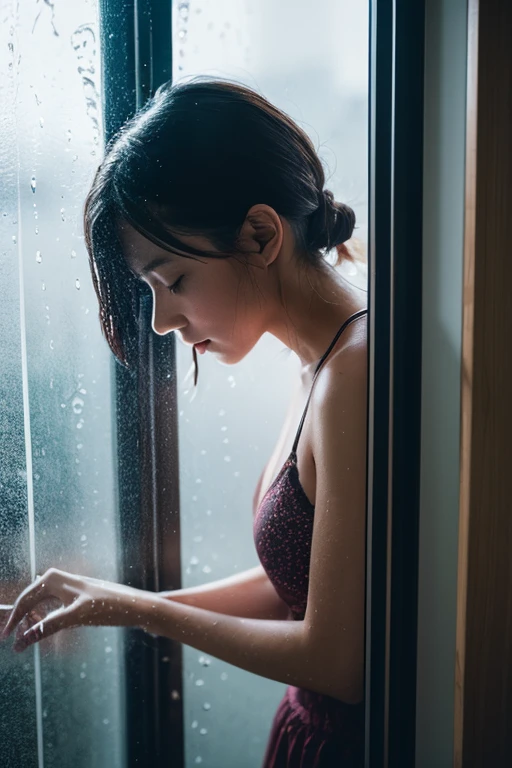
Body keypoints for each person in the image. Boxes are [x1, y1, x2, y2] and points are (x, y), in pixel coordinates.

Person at [1, 77, 368, 766]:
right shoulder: (323, 361)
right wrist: (114, 601)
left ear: (261, 234)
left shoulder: (353, 373)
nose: (164, 320)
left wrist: (142, 610)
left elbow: (336, 658)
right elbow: (306, 582)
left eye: (172, 281)